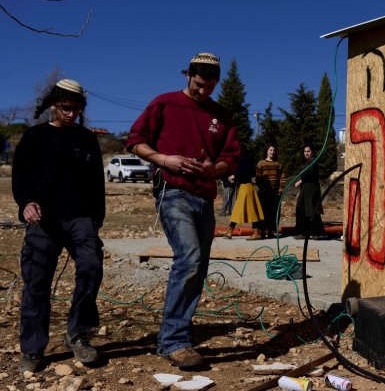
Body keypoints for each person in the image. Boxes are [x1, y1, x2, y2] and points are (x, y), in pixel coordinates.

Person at [127, 52, 239, 369]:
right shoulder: (164, 103)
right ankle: (174, 341)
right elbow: (134, 141)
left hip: (204, 195)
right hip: (172, 189)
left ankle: (176, 331)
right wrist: (166, 159)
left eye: (210, 87)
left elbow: (230, 159)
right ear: (187, 75)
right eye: (199, 84)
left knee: (198, 265)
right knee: (189, 257)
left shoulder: (222, 115)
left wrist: (212, 168)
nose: (203, 91)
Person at [12, 79, 105, 373]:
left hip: (81, 218)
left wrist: (96, 219)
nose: (71, 113)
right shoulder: (35, 137)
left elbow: (96, 183)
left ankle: (78, 334)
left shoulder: (87, 139)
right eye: (66, 107)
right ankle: (33, 348)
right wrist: (26, 203)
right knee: (37, 281)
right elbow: (20, 177)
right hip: (44, 218)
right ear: (54, 105)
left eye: (77, 108)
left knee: (91, 268)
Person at [223, 149, 264, 239]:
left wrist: (235, 175)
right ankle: (230, 230)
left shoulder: (244, 158)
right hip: (244, 187)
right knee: (240, 210)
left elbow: (247, 170)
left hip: (246, 187)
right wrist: (235, 177)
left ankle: (256, 232)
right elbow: (244, 171)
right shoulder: (241, 158)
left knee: (250, 211)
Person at [253, 144, 282, 239]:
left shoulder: (278, 164)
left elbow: (282, 177)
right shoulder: (261, 163)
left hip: (274, 192)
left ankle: (270, 231)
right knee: (262, 211)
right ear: (267, 151)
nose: (272, 152)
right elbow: (258, 178)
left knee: (272, 212)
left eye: (274, 150)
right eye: (270, 150)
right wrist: (263, 187)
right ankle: (261, 231)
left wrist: (280, 189)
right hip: (264, 192)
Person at [294, 145, 324, 237]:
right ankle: (304, 232)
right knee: (301, 209)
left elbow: (310, 173)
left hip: (311, 190)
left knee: (311, 211)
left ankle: (315, 232)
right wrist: (300, 191)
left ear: (312, 152)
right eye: (305, 151)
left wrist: (300, 181)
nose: (306, 153)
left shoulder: (313, 162)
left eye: (308, 151)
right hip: (305, 190)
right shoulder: (307, 163)